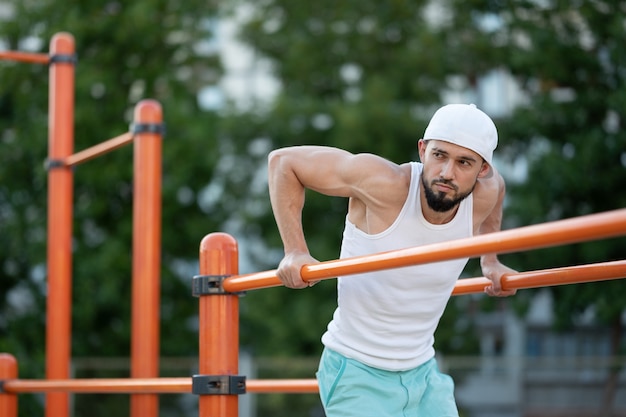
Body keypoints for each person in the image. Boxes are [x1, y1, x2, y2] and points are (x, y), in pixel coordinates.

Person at [267, 103, 517, 417]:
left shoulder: (485, 193)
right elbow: (283, 162)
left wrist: (490, 261)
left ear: (482, 170)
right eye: (439, 155)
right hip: (357, 370)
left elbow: (498, 192)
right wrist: (295, 250)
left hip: (423, 373)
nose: (446, 173)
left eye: (464, 162)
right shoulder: (384, 184)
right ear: (423, 150)